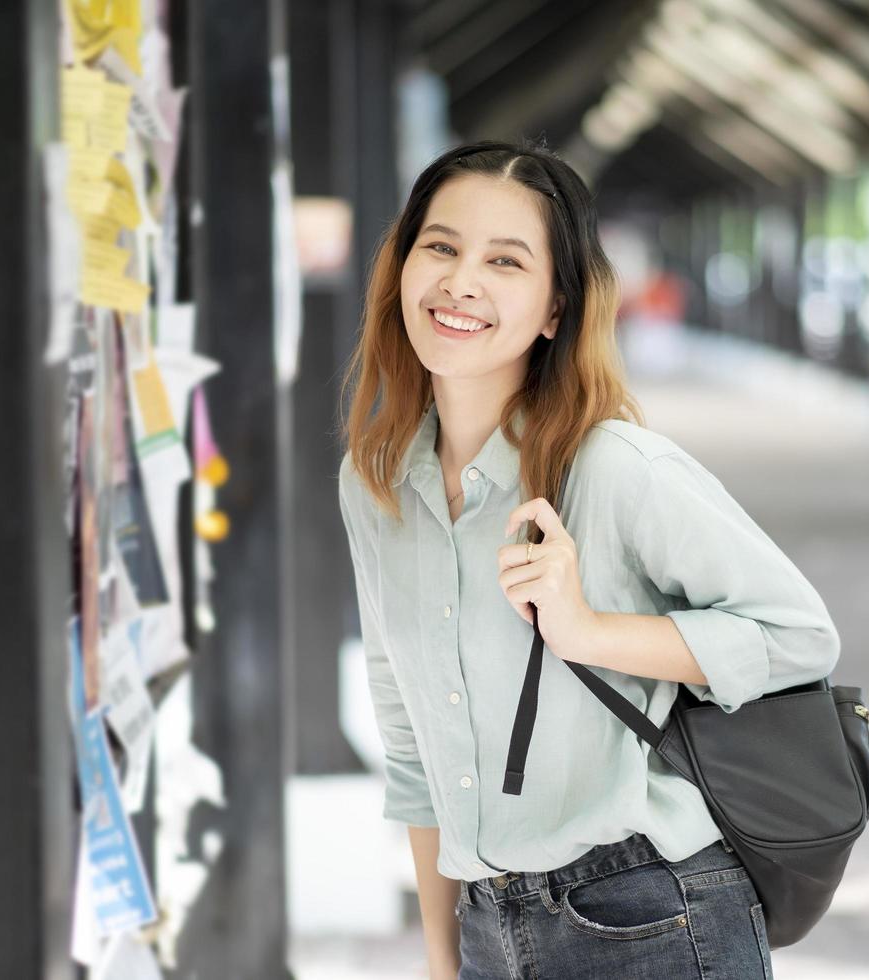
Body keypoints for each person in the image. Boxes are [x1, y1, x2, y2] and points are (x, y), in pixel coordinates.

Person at [337, 139, 840, 979]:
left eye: (505, 261)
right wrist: (440, 959)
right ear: (400, 270)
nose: (461, 281)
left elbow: (798, 634)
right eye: (441, 246)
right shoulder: (377, 485)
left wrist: (589, 630)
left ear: (553, 310)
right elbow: (410, 747)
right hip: (485, 926)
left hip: (648, 912)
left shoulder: (611, 468)